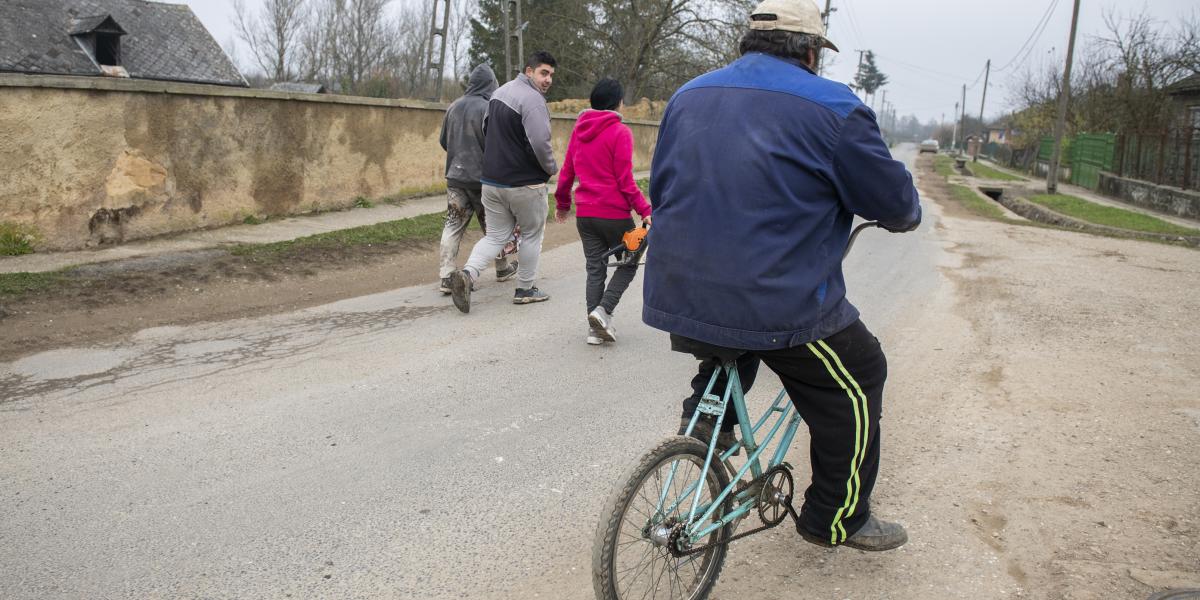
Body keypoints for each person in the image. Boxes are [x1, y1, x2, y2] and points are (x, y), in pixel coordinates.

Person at [642, 0, 922, 552]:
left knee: (731, 339)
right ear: (812, 51)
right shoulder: (835, 108)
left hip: (678, 289)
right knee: (861, 374)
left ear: (749, 42)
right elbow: (896, 201)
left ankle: (706, 427)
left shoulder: (688, 95)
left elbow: (663, 186)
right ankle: (837, 518)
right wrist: (902, 214)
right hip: (778, 303)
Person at [449, 51, 559, 313]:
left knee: (497, 235)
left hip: (491, 181)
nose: (548, 80)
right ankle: (525, 289)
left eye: (552, 75)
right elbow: (540, 144)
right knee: (532, 234)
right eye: (544, 73)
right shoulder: (533, 100)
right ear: (529, 71)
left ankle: (467, 274)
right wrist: (551, 169)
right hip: (525, 183)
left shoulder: (498, 94)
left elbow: (487, 130)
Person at [554, 78, 652, 345]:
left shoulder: (578, 130)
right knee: (630, 262)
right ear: (618, 103)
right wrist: (645, 209)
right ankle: (603, 311)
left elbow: (567, 173)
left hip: (585, 214)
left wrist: (563, 204)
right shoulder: (620, 132)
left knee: (595, 268)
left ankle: (594, 329)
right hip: (613, 214)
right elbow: (625, 180)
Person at [437, 64, 519, 294]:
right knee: (495, 228)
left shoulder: (453, 107)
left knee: (453, 225)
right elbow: (497, 146)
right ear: (490, 84)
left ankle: (446, 276)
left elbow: (444, 142)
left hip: (455, 178)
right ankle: (502, 268)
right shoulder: (489, 108)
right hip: (483, 181)